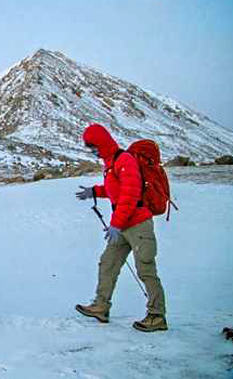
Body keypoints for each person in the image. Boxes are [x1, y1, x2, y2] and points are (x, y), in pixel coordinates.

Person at [75, 124, 167, 332]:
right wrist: (95, 191)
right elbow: (115, 190)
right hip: (123, 226)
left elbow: (130, 195)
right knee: (107, 263)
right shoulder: (111, 163)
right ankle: (101, 306)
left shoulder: (124, 160)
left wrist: (115, 224)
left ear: (102, 143)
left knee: (146, 269)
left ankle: (157, 315)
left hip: (138, 225)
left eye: (93, 147)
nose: (93, 151)